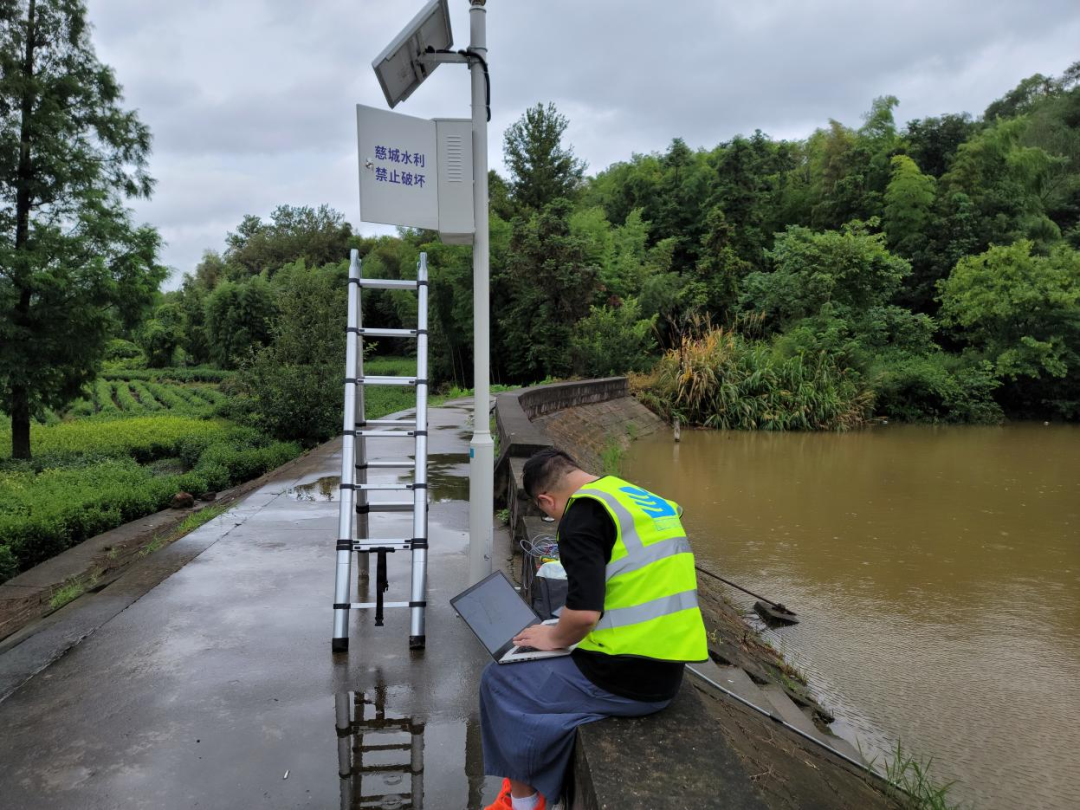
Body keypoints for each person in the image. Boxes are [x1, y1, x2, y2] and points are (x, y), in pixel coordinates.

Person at [480, 448, 708, 810]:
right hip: (666, 668)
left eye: (548, 513)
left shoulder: (581, 516)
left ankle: (523, 803)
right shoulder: (634, 497)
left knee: (499, 679)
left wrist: (553, 636)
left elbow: (585, 616)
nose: (555, 519)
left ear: (545, 500)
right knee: (541, 667)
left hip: (626, 677)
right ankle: (535, 777)